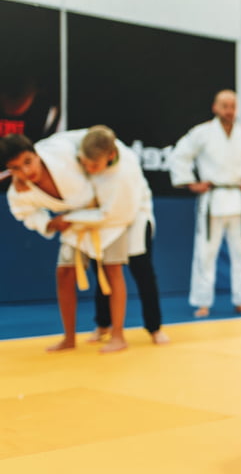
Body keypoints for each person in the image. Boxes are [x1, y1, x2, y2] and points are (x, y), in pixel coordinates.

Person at [2, 128, 144, 353]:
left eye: (28, 162)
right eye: (16, 168)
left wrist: (112, 159)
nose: (26, 171)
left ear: (36, 153)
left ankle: (118, 335)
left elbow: (97, 138)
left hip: (107, 212)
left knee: (112, 269)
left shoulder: (59, 148)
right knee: (64, 273)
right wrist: (49, 224)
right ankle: (69, 338)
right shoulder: (18, 192)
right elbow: (26, 215)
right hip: (73, 222)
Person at [169, 90, 241, 318]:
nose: (229, 110)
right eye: (224, 105)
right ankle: (202, 302)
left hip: (238, 199)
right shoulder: (202, 133)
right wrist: (190, 182)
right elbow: (180, 155)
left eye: (233, 106)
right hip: (213, 199)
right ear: (215, 108)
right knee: (205, 253)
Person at [84, 129, 169, 346]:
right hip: (105, 217)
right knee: (103, 270)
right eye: (87, 164)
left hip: (134, 218)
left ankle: (154, 328)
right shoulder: (93, 153)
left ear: (110, 156)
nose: (90, 169)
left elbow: (122, 210)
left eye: (95, 165)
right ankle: (103, 323)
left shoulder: (125, 170)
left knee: (142, 270)